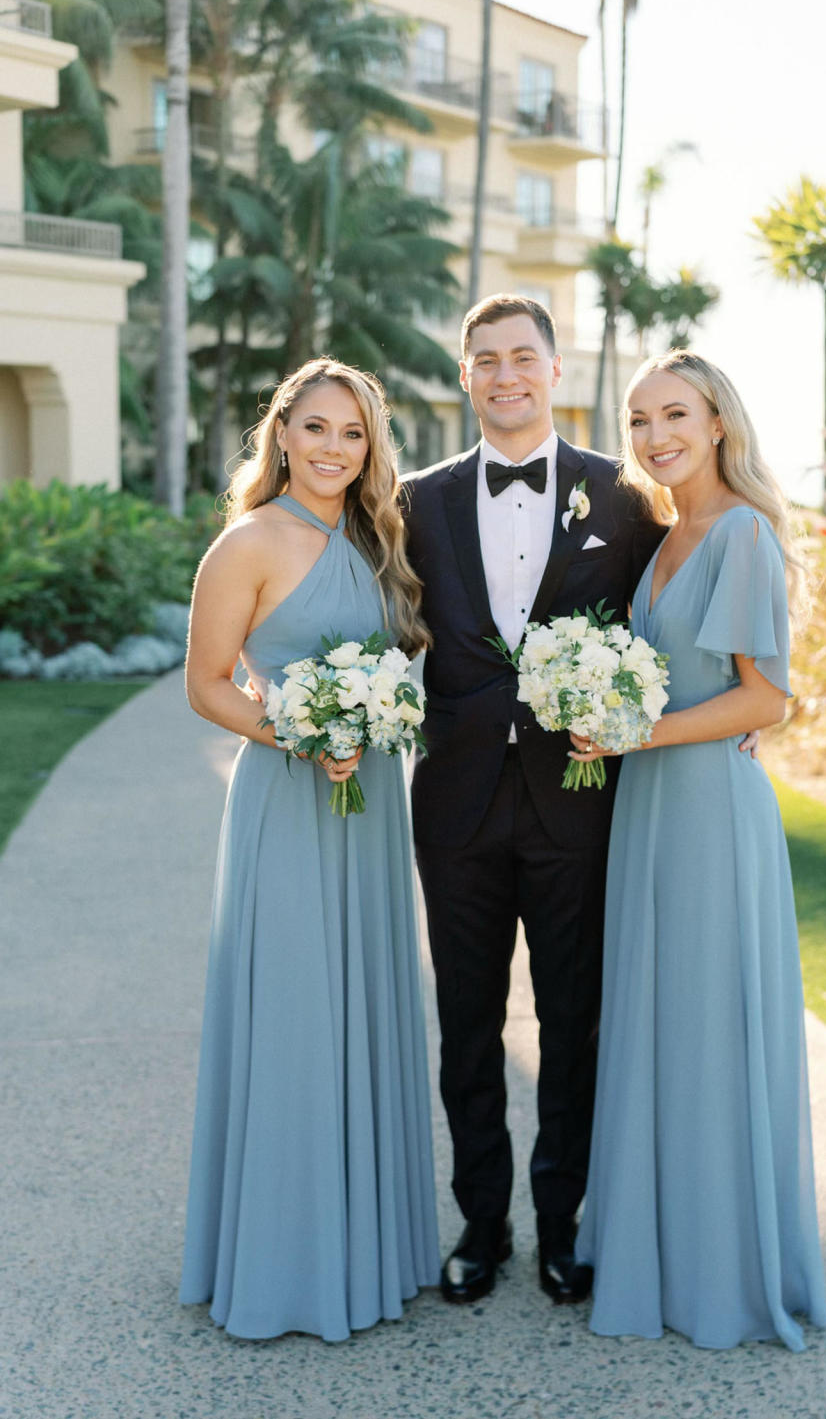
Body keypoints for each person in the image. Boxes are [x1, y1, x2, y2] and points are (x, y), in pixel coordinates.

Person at [402, 293, 666, 1307]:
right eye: (485, 360)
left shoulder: (627, 496)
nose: (505, 374)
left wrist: (742, 700)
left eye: (523, 356)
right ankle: (482, 1228)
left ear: (555, 369)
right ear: (465, 376)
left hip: (578, 798)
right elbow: (366, 606)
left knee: (574, 1023)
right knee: (466, 1025)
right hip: (457, 803)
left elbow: (667, 619)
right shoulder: (414, 499)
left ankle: (562, 1229)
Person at [179, 357, 440, 1341]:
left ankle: (367, 1244)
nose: (336, 448)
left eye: (355, 433)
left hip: (370, 804)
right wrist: (299, 733)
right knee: (293, 1010)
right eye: (318, 427)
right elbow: (207, 684)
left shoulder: (381, 541)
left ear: (371, 448)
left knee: (361, 1001)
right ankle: (283, 1261)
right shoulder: (247, 544)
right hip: (287, 800)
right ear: (282, 431)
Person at [572, 350, 826, 1350]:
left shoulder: (744, 535)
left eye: (673, 414)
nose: (653, 436)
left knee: (707, 1027)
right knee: (655, 1018)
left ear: (718, 419)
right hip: (649, 804)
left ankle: (719, 1272)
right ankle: (656, 1249)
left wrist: (639, 732)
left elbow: (766, 698)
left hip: (709, 812)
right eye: (637, 421)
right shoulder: (669, 534)